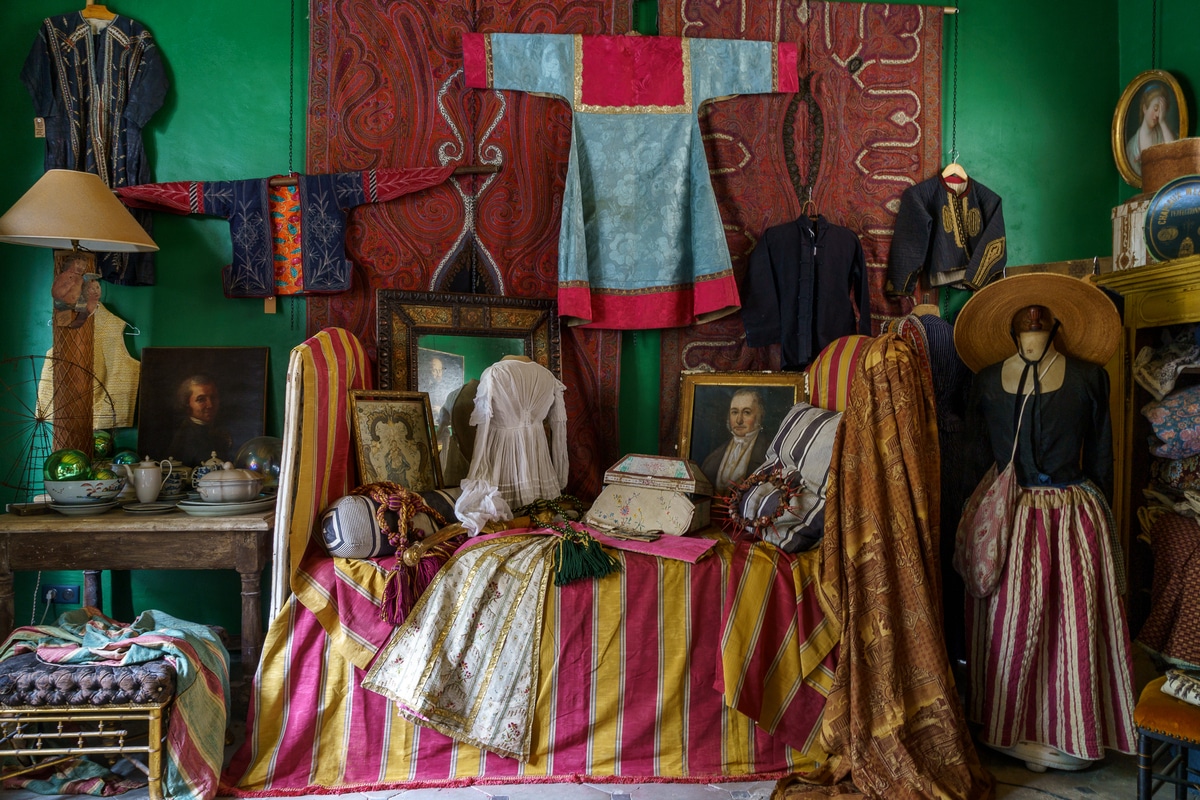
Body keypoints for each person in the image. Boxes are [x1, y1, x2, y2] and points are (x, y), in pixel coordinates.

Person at [954, 273, 1136, 773]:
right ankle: (1006, 728)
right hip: (1008, 518)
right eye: (1023, 309)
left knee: (1069, 621)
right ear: (1008, 324)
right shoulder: (987, 380)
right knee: (1008, 622)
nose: (1033, 315)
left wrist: (1103, 518)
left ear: (1056, 322)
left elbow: (1102, 455)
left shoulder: (1086, 376)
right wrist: (974, 521)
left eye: (1042, 310)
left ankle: (1071, 726)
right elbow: (973, 457)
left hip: (1073, 517)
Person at [701, 389, 770, 493]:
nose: (739, 420)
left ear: (760, 416)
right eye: (734, 412)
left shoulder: (770, 453)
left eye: (747, 412)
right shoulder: (712, 459)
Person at [169, 374, 234, 466]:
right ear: (187, 403)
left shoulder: (219, 432)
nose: (210, 405)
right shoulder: (186, 436)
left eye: (213, 397)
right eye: (201, 399)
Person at [1125, 83, 1177, 177]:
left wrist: (1162, 122)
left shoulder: (1164, 134)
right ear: (1145, 108)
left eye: (1161, 111)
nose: (1158, 115)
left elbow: (1174, 154)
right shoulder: (1131, 147)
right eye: (1156, 108)